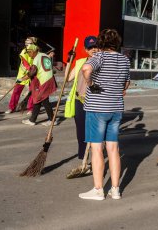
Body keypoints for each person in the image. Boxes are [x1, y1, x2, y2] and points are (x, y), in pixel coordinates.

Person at [78, 29, 130, 200]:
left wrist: (91, 84)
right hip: (116, 107)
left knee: (96, 148)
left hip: (97, 107)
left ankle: (98, 189)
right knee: (113, 149)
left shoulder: (99, 56)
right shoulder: (124, 60)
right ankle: (115, 189)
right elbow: (127, 83)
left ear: (101, 42)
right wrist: (116, 90)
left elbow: (86, 69)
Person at [64, 36, 98, 166]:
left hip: (95, 101)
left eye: (95, 46)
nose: (93, 49)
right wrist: (69, 61)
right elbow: (68, 78)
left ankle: (96, 157)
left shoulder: (102, 61)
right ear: (85, 49)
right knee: (81, 131)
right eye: (90, 47)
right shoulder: (80, 62)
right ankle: (83, 159)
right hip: (80, 100)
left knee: (94, 131)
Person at [21, 44, 57, 126]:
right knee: (39, 99)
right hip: (49, 79)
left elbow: (33, 71)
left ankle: (52, 120)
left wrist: (24, 78)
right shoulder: (44, 55)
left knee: (44, 100)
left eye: (29, 52)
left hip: (44, 81)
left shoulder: (37, 58)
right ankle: (32, 120)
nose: (29, 55)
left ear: (34, 51)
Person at [5, 37, 36, 114]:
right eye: (26, 43)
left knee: (32, 92)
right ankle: (12, 107)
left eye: (29, 43)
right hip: (23, 74)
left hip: (32, 73)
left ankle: (30, 108)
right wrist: (31, 70)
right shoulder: (23, 52)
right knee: (16, 91)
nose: (27, 45)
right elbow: (25, 63)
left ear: (33, 44)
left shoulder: (36, 52)